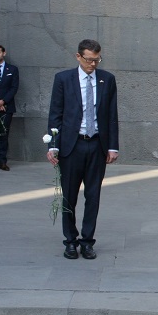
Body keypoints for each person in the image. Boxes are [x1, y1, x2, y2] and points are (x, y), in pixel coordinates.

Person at [46, 39, 119, 260]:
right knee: (69, 196)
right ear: (78, 57)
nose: (93, 64)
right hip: (72, 145)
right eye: (89, 60)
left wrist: (113, 146)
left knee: (93, 195)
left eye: (97, 60)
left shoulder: (107, 79)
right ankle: (70, 241)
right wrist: (53, 146)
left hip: (97, 145)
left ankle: (87, 241)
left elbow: (111, 115)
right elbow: (55, 114)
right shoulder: (63, 79)